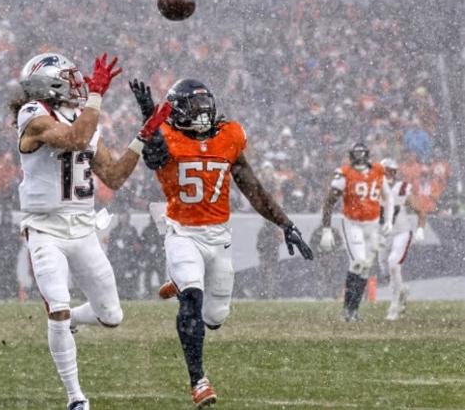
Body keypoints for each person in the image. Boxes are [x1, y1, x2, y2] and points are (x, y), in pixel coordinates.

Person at [132, 78, 313, 408]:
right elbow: (154, 156)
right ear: (176, 112)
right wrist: (149, 118)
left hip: (218, 237)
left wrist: (286, 224)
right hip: (183, 233)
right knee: (192, 300)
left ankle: (182, 282)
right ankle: (198, 381)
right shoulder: (166, 136)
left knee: (215, 318)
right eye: (193, 107)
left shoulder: (229, 135)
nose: (201, 113)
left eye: (205, 106)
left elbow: (252, 188)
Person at [12, 52, 169, 410]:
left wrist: (142, 137)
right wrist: (96, 97)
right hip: (45, 228)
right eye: (69, 79)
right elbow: (75, 139)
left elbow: (113, 176)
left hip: (83, 228)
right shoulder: (32, 113)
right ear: (48, 83)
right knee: (58, 306)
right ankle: (76, 397)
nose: (80, 85)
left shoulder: (84, 119)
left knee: (111, 316)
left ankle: (70, 321)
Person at [319, 142, 393, 322]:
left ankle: (352, 310)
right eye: (357, 155)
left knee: (365, 267)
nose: (359, 159)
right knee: (358, 262)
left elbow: (388, 197)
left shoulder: (378, 171)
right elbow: (329, 201)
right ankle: (348, 310)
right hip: (352, 224)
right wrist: (326, 229)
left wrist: (388, 221)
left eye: (362, 155)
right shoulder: (344, 173)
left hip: (372, 225)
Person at [378, 158, 426, 321]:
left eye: (390, 171)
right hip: (383, 234)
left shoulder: (402, 188)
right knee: (385, 271)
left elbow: (420, 211)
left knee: (393, 264)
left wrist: (420, 229)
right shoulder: (373, 188)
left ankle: (394, 306)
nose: (387, 174)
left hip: (401, 232)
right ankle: (402, 290)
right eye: (385, 170)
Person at [107, 211, 142, 299]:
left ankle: (130, 294)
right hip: (118, 260)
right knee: (118, 278)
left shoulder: (132, 230)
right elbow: (111, 246)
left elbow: (136, 244)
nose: (123, 219)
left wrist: (128, 248)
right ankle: (119, 294)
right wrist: (115, 248)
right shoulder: (115, 231)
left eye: (125, 217)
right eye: (122, 216)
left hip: (129, 260)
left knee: (130, 278)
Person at [0, 209, 22, 299]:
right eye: (5, 216)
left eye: (8, 216)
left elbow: (19, 242)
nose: (6, 219)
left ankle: (13, 294)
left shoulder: (15, 228)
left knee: (12, 275)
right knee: (1, 275)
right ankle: (2, 294)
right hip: (1, 256)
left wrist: (15, 251)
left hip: (12, 256)